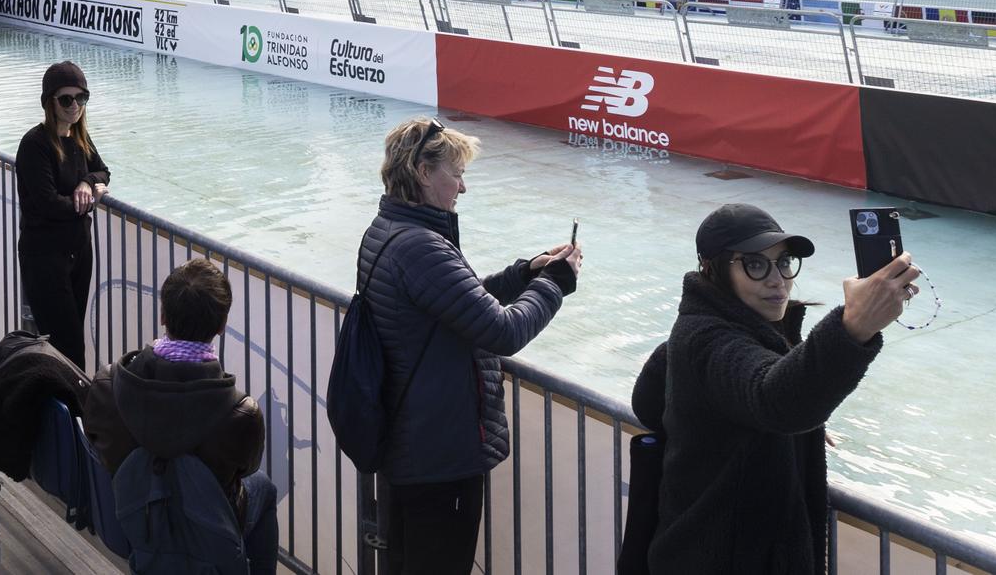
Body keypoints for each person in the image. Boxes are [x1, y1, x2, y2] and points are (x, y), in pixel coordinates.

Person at [630, 204, 919, 575]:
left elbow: (650, 399)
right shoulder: (707, 338)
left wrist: (788, 431)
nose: (777, 279)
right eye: (755, 264)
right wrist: (854, 326)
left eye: (784, 262)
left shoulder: (713, 330)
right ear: (713, 269)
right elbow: (775, 400)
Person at [357, 118, 580, 575]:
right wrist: (556, 283)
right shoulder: (421, 246)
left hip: (410, 441)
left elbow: (453, 301)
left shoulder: (389, 229)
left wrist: (524, 273)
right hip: (440, 454)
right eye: (456, 174)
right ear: (423, 172)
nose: (463, 187)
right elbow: (502, 331)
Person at [83, 259, 277, 574]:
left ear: (162, 315)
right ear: (221, 325)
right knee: (263, 487)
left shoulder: (108, 386)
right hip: (208, 533)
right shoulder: (241, 413)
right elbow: (246, 467)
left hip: (135, 521)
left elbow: (99, 441)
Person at [15, 60, 109, 368]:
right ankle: (69, 412)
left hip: (78, 253)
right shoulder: (34, 144)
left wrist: (87, 181)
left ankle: (67, 410)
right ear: (49, 103)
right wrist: (88, 201)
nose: (74, 106)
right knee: (66, 347)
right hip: (45, 259)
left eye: (81, 98)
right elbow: (47, 204)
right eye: (66, 99)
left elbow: (103, 171)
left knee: (73, 340)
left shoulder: (78, 138)